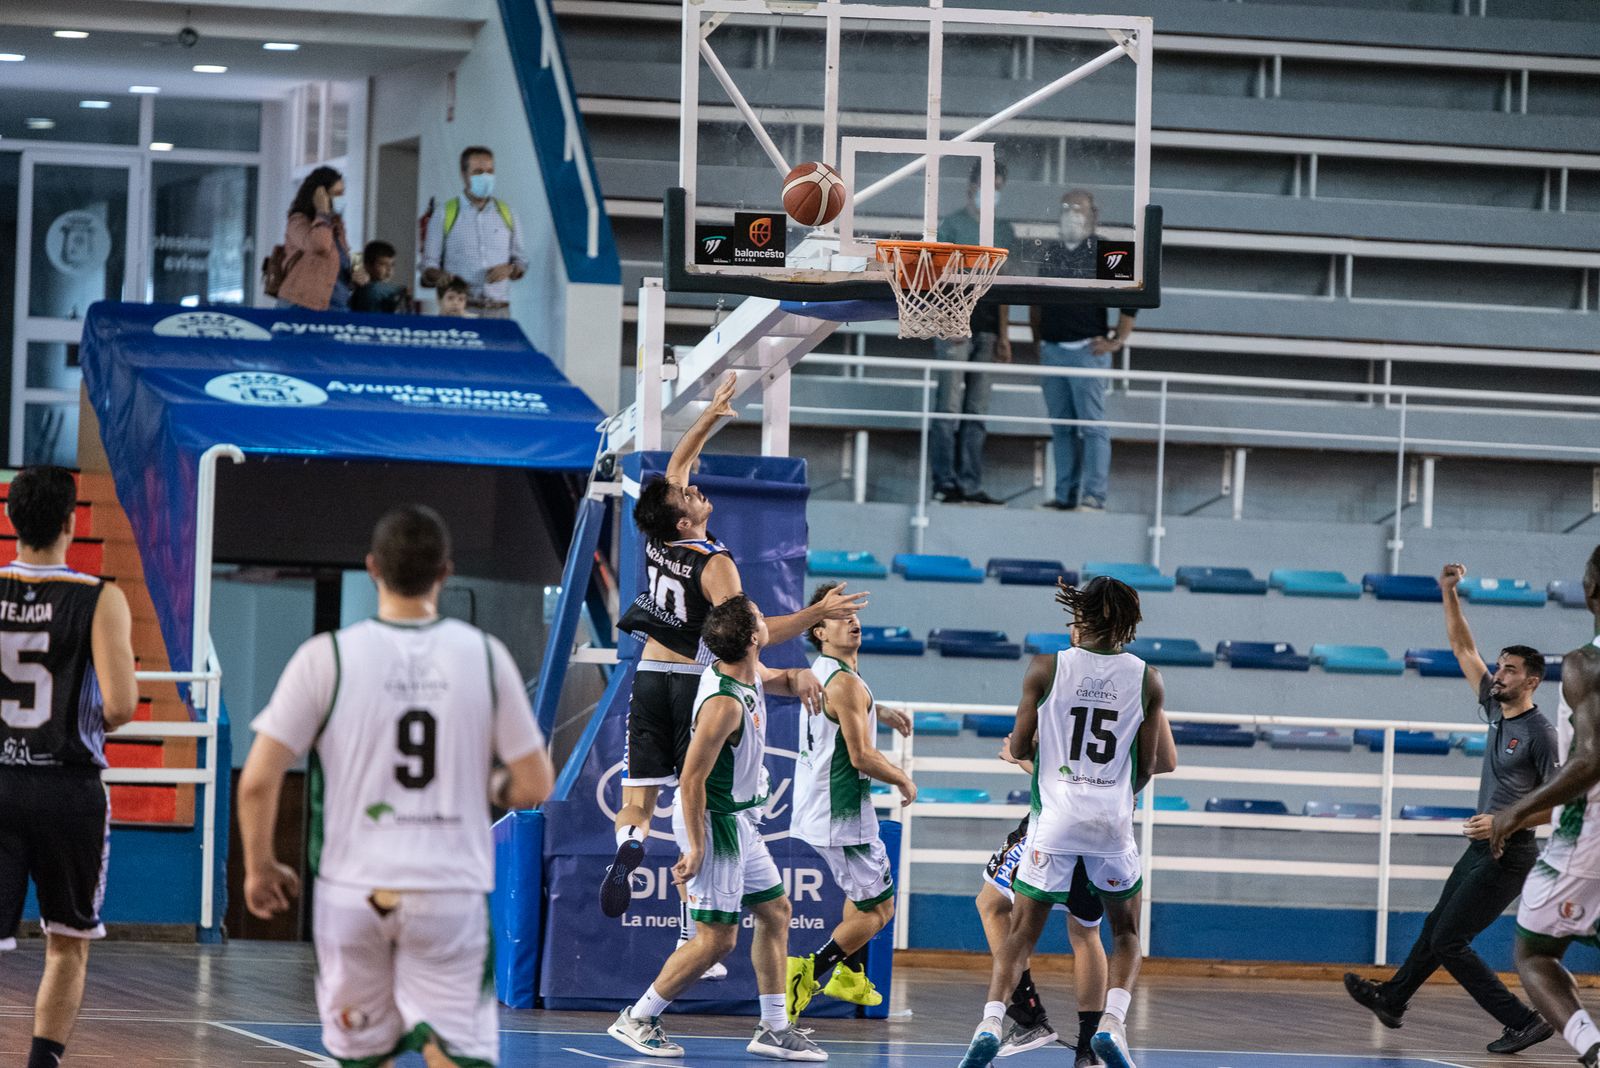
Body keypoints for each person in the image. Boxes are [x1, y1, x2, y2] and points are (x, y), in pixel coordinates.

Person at [237, 505, 553, 1068]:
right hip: (447, 892)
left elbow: (258, 780)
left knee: (362, 1058)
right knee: (455, 1055)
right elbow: (533, 785)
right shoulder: (484, 657)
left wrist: (260, 867)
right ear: (445, 572)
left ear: (372, 568)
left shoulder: (326, 657)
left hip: (354, 891)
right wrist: (483, 781)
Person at [601, 371, 863, 923]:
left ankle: (630, 842)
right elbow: (750, 633)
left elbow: (676, 466)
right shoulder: (715, 566)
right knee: (707, 795)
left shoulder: (656, 538)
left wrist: (710, 414)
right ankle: (700, 920)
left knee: (640, 799)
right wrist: (815, 614)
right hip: (698, 687)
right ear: (683, 518)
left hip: (649, 675)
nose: (693, 487)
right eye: (688, 495)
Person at [1344, 562, 1556, 1055]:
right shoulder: (1495, 707)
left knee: (1449, 941)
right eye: (1499, 666)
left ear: (1532, 682)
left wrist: (1505, 819)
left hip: (1510, 851)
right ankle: (1393, 998)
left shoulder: (1541, 733)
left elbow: (1561, 804)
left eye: (1509, 670)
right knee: (1436, 928)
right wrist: (1447, 591)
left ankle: (1524, 1020)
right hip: (1481, 848)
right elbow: (1463, 647)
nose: (1497, 674)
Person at [959, 577, 1173, 1068]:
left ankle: (992, 1021)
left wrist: (1037, 761)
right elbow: (1146, 767)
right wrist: (1111, 795)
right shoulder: (1148, 678)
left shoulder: (1046, 666)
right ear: (1126, 622)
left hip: (1053, 822)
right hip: (1111, 824)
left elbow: (1017, 747)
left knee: (1021, 932)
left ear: (1082, 616)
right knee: (1123, 933)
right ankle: (1111, 1026)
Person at [608, 595, 828, 1061]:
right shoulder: (723, 705)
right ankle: (639, 1018)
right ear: (753, 639)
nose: (766, 622)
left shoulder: (744, 672)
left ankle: (773, 1027)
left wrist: (803, 675)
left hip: (739, 822)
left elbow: (777, 679)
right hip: (714, 823)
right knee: (716, 940)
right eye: (760, 619)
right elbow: (690, 780)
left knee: (776, 911)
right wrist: (698, 847)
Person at [0, 465, 138, 1068]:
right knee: (67, 941)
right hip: (67, 786)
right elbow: (123, 705)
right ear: (70, 523)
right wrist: (73, 722)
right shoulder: (100, 598)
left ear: (10, 522)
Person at [1489, 545, 1600, 1067]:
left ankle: (1593, 1049)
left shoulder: (1586, 662)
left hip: (1589, 833)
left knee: (1534, 951)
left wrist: (1515, 812)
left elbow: (1590, 761)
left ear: (1591, 590)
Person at [785, 584, 916, 1022]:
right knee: (880, 910)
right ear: (819, 631)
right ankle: (810, 971)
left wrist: (881, 711)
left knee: (859, 899)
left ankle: (851, 974)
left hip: (816, 805)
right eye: (839, 616)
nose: (852, 621)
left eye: (853, 614)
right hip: (843, 812)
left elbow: (848, 708)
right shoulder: (844, 684)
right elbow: (861, 755)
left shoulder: (825, 671)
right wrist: (902, 778)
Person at [1028, 191, 1137, 513]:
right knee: (1061, 427)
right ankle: (1064, 496)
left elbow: (1132, 298)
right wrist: (1039, 341)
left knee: (1092, 425)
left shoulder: (1108, 250)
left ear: (1093, 214)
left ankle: (1094, 496)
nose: (1072, 214)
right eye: (1066, 209)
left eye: (1079, 209)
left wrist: (1118, 340)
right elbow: (1036, 300)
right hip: (1053, 351)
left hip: (1088, 351)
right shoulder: (1050, 252)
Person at [929, 161, 1017, 506]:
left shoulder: (1005, 229)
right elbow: (936, 279)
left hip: (988, 327)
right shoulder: (952, 224)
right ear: (971, 187)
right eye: (986, 186)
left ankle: (970, 482)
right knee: (948, 409)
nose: (990, 193)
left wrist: (1005, 334)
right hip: (954, 325)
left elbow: (1009, 285)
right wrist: (947, 320)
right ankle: (944, 483)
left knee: (977, 411)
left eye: (997, 187)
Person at [420, 146, 527, 319]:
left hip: (499, 311)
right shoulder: (445, 213)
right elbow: (428, 265)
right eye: (478, 172)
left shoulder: (507, 213)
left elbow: (521, 262)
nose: (485, 177)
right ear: (464, 175)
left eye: (490, 171)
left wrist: (510, 269)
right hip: (461, 310)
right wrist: (440, 276)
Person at [277, 166, 366, 312]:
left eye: (343, 193)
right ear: (321, 195)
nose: (342, 198)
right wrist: (322, 212)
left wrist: (357, 275)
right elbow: (320, 245)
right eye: (337, 194)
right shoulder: (298, 221)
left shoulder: (336, 225)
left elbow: (342, 261)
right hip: (302, 305)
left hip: (337, 306)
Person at [350, 240, 410, 314]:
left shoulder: (391, 295)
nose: (389, 269)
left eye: (392, 265)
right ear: (367, 266)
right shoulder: (369, 291)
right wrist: (401, 290)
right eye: (383, 264)